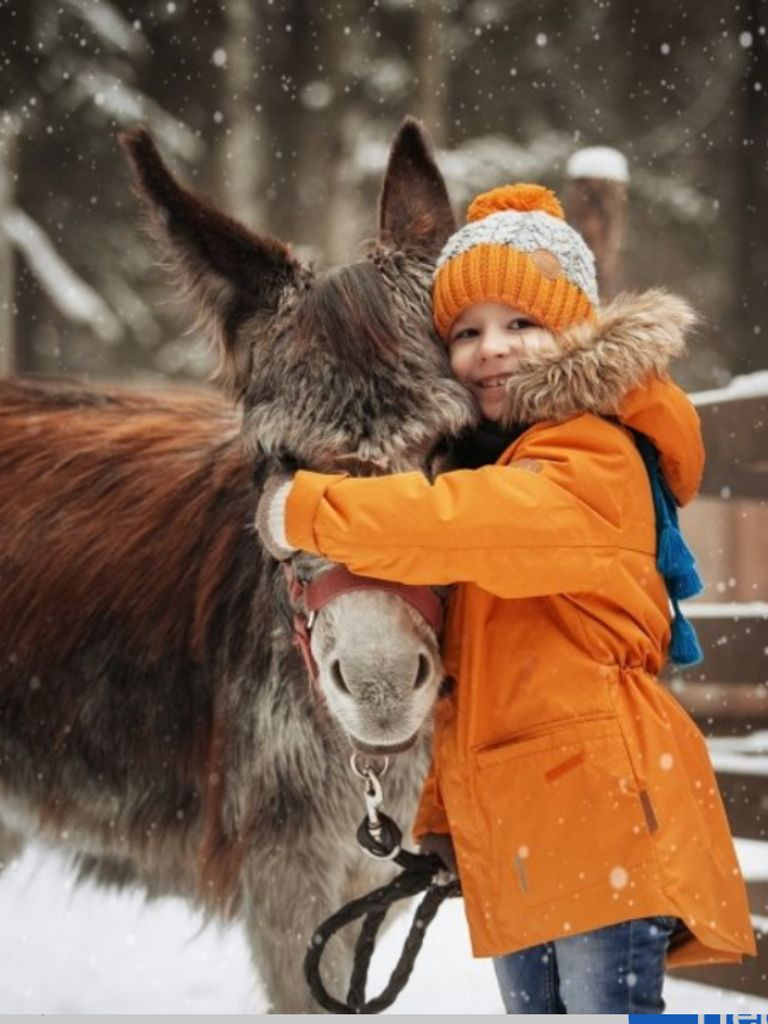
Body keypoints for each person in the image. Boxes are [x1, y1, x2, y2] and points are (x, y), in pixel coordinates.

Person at [256, 183, 755, 1013]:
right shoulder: (503, 461)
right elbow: (479, 685)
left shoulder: (591, 454)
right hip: (527, 834)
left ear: (577, 330)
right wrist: (452, 822)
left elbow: (473, 524)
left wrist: (309, 509)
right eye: (467, 332)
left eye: (522, 323)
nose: (493, 349)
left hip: (601, 820)